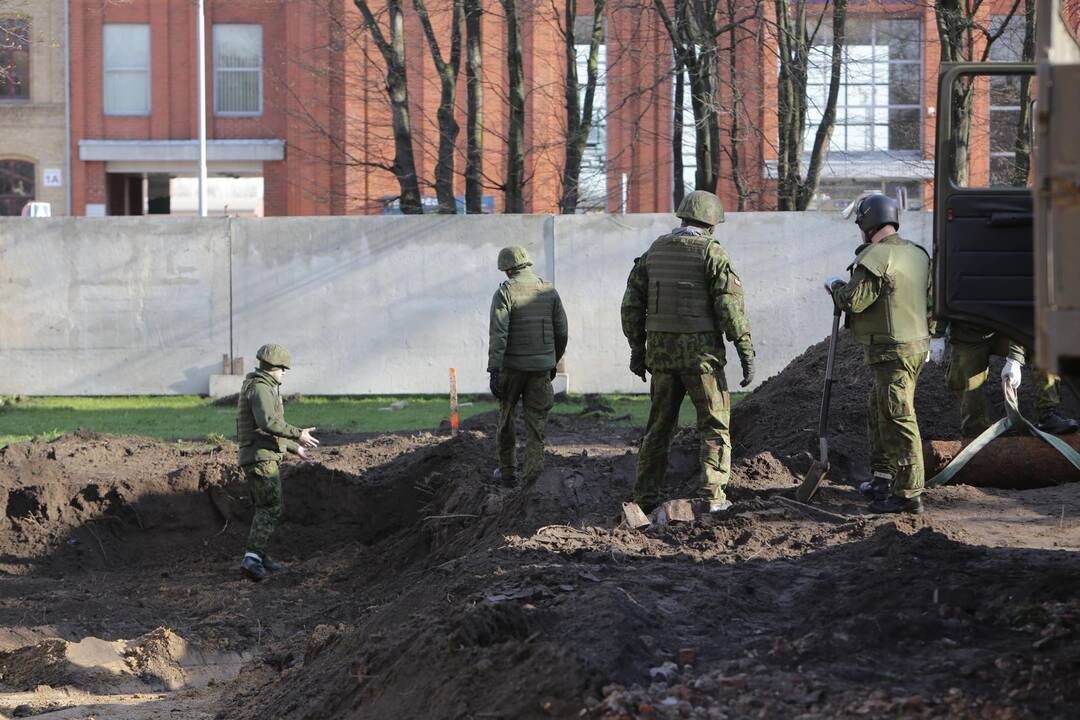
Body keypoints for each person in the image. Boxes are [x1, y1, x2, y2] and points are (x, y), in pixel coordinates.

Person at [621, 190, 754, 514]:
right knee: (714, 424)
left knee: (658, 428)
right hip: (701, 358)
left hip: (662, 358)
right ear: (711, 224)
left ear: (682, 217)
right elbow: (727, 306)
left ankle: (646, 496)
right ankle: (712, 496)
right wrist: (745, 348)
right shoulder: (712, 253)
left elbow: (631, 305)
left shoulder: (655, 251)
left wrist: (637, 349)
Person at [825, 194, 931, 514]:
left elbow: (854, 301)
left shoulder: (877, 257)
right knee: (879, 410)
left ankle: (909, 493)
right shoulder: (916, 254)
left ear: (869, 223)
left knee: (898, 417)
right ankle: (883, 477)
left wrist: (836, 287)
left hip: (892, 351)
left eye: (861, 224)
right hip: (915, 347)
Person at [235, 343, 319, 581]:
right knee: (271, 507)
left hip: (259, 455)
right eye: (284, 369)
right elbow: (268, 423)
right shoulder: (262, 388)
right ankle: (252, 560)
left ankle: (259, 556)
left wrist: (295, 448)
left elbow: (268, 429)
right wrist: (298, 433)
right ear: (275, 367)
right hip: (261, 458)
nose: (285, 373)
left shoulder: (260, 385)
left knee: (266, 507)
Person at [487, 246, 568, 486]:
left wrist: (494, 369)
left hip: (511, 369)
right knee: (536, 423)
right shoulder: (549, 290)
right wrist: (552, 359)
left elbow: (498, 334)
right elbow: (561, 331)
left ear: (508, 268)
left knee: (507, 419)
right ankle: (533, 476)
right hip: (540, 368)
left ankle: (508, 472)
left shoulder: (505, 292)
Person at [940, 321, 1078, 437]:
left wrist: (1015, 359)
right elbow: (939, 296)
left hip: (1008, 329)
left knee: (1043, 345)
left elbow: (1019, 310)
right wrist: (936, 334)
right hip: (968, 334)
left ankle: (1047, 416)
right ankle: (976, 430)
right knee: (965, 377)